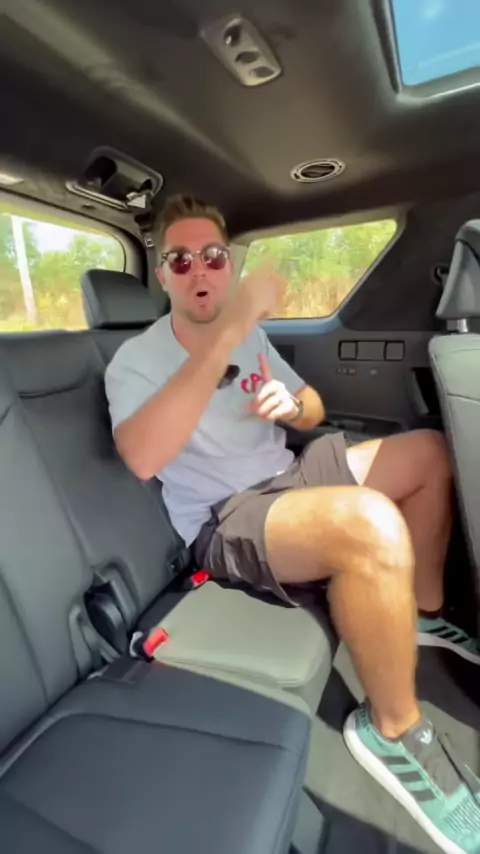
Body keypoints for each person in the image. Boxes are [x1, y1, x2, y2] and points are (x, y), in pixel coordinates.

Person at [105, 194, 480, 854]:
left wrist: (291, 403)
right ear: (162, 274)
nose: (199, 269)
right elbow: (141, 456)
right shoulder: (134, 360)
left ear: (228, 264)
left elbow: (310, 407)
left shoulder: (250, 338)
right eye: (181, 260)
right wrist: (227, 331)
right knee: (370, 524)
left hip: (291, 473)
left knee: (429, 454)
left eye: (213, 256)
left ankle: (420, 613)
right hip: (227, 517)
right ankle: (394, 731)